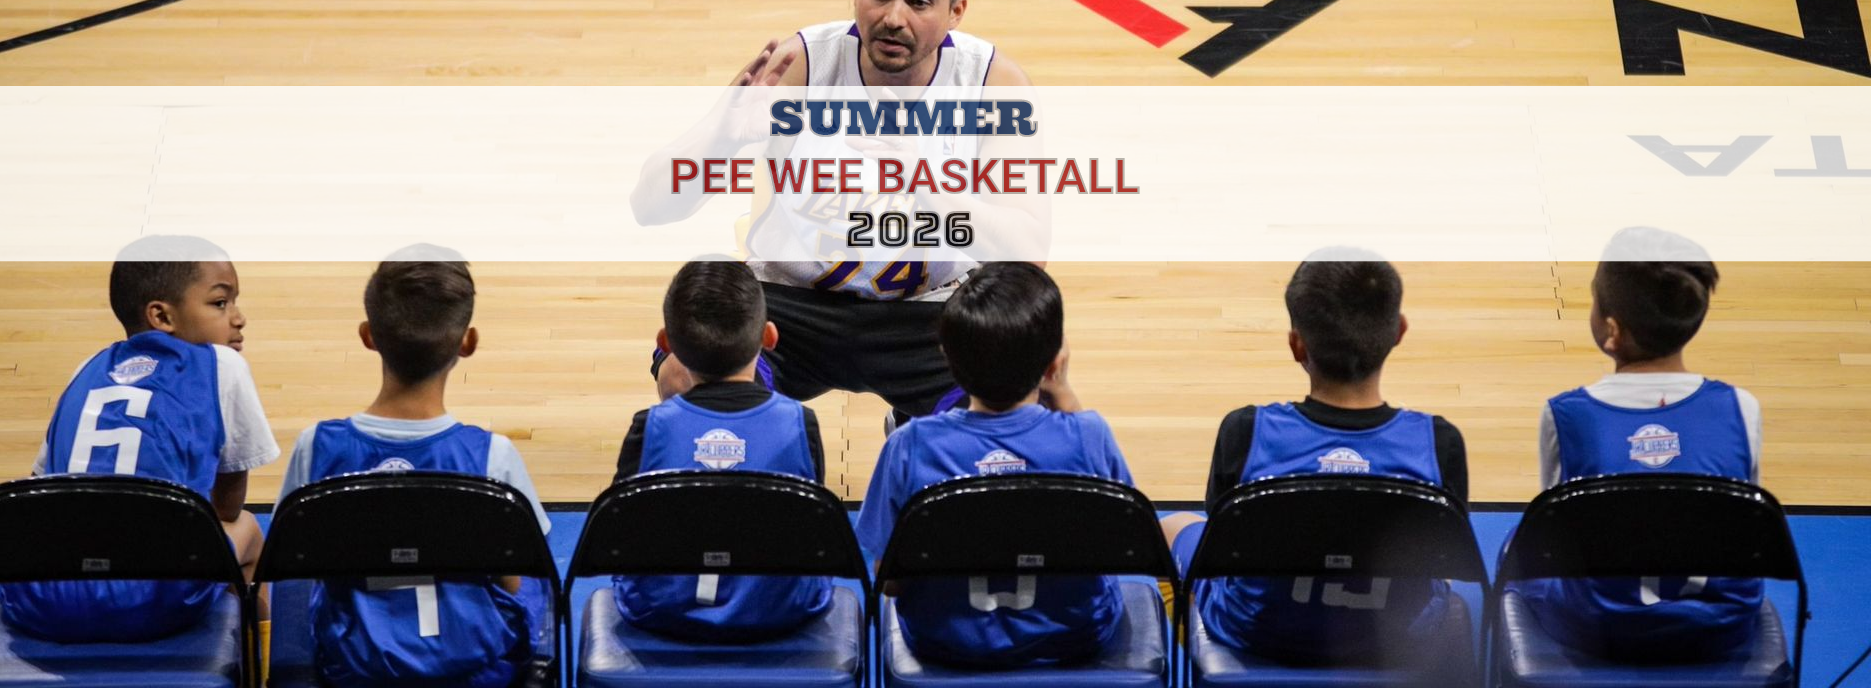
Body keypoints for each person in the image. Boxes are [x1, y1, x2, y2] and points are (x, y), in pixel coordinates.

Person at [634, 0, 1043, 421]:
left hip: (929, 312)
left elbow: (1029, 258)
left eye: (919, 1)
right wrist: (721, 132)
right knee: (682, 373)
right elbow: (649, 207)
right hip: (792, 303)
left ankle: (919, 428)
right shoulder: (801, 65)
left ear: (956, 11)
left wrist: (926, 184)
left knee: (1021, 386)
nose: (894, 17)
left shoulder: (992, 84)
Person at [1162, 249, 1469, 664]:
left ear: (1296, 345)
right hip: (1394, 638)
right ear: (1398, 331)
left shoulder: (1246, 431)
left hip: (1256, 633)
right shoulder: (1438, 442)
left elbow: (1223, 544)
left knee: (1173, 528)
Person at [277, 254, 550, 688]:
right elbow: (514, 582)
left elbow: (292, 563)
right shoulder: (493, 455)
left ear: (368, 337)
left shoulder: (316, 446)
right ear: (468, 342)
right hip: (473, 668)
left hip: (352, 668)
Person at [854, 262, 1133, 668]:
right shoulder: (1089, 436)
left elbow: (891, 581)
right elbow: (1122, 549)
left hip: (943, 640)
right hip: (1074, 637)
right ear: (1054, 362)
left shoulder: (908, 446)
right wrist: (1064, 390)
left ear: (947, 359)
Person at [0, 239, 279, 641]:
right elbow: (227, 506)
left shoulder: (86, 368)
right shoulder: (222, 365)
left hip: (46, 603)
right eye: (220, 303)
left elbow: (39, 488)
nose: (239, 318)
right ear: (162, 315)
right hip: (154, 604)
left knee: (9, 568)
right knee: (247, 528)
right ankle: (256, 662)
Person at [1513, 228, 1762, 660]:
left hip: (1599, 626)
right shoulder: (1742, 408)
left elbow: (1558, 537)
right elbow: (1740, 522)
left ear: (1611, 330)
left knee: (1516, 548)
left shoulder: (1566, 415)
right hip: (1720, 626)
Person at [613, 260, 833, 639]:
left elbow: (620, 533)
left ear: (665, 344)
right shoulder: (800, 423)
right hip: (781, 611)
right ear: (770, 337)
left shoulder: (646, 428)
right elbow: (812, 532)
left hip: (658, 611)